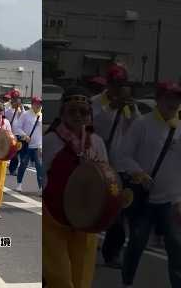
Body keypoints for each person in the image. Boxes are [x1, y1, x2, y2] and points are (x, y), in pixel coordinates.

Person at [116, 82, 181, 288]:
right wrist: (139, 173)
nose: (174, 103)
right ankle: (127, 282)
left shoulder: (180, 128)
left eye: (177, 98)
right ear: (159, 99)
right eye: (169, 98)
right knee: (136, 243)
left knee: (176, 247)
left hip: (172, 200)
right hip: (144, 199)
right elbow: (123, 156)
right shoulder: (142, 124)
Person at [43, 86, 108, 288]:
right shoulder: (51, 141)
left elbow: (106, 177)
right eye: (72, 111)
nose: (78, 115)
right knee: (60, 278)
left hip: (86, 219)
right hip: (53, 217)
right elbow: (41, 178)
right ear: (63, 113)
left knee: (82, 279)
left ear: (89, 115)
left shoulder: (96, 143)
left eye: (83, 111)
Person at [91, 64, 140, 268]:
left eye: (122, 85)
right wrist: (112, 107)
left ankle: (112, 253)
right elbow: (93, 124)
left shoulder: (128, 106)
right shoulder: (95, 103)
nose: (118, 88)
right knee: (92, 207)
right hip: (96, 164)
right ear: (108, 84)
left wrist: (130, 108)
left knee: (118, 213)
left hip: (118, 168)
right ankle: (87, 240)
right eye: (116, 84)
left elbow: (136, 128)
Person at [13, 96, 43, 194]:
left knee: (39, 167)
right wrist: (24, 135)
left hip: (38, 146)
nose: (38, 105)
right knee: (23, 164)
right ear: (32, 104)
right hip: (27, 145)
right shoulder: (25, 114)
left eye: (40, 104)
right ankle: (19, 184)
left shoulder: (42, 115)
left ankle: (41, 188)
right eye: (36, 103)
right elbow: (17, 127)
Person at [5, 91, 25, 176]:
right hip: (10, 133)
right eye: (15, 98)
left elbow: (24, 116)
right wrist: (13, 107)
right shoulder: (8, 107)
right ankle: (10, 167)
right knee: (11, 152)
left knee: (16, 152)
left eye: (17, 98)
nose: (16, 100)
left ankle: (12, 168)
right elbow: (5, 116)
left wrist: (20, 107)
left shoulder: (20, 107)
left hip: (18, 133)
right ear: (12, 98)